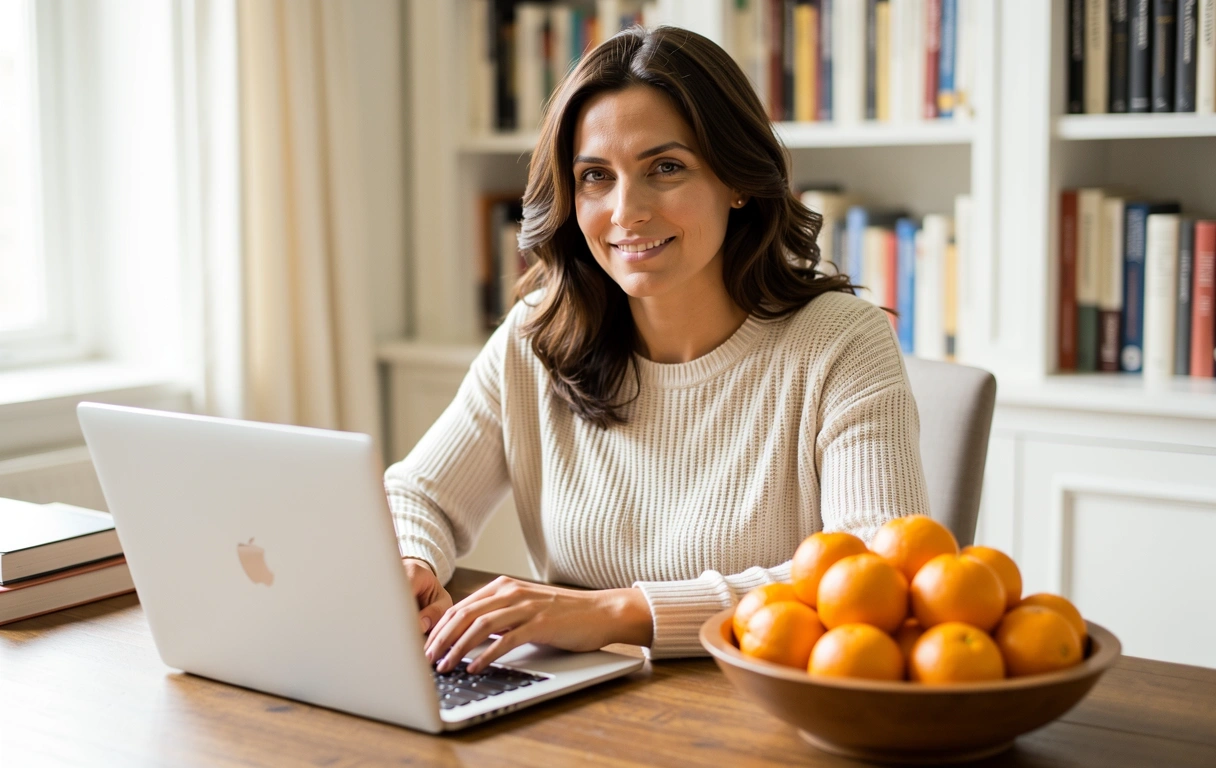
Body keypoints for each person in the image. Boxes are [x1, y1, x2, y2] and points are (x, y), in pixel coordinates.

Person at [386, 25, 929, 674]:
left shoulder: (841, 342)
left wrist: (619, 612)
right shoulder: (539, 336)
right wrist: (413, 560)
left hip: (756, 702)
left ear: (736, 180)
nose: (626, 211)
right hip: (573, 699)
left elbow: (874, 566)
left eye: (665, 168)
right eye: (595, 176)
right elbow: (417, 494)